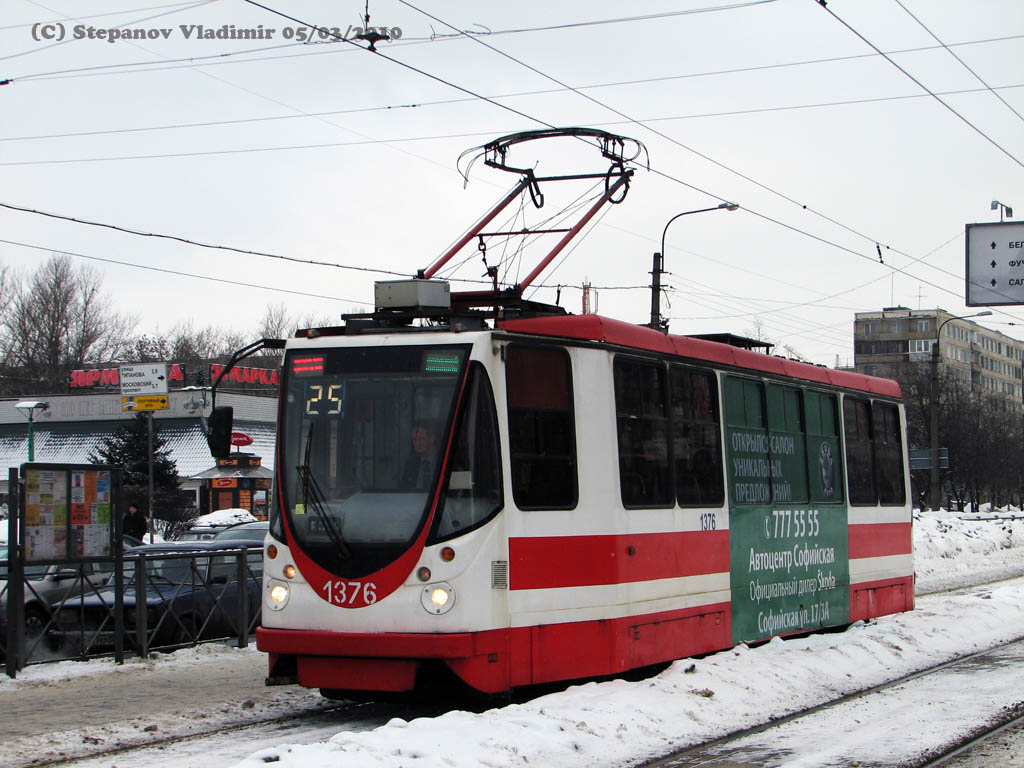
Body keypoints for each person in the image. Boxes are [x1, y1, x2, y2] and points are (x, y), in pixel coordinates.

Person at [401, 422, 437, 489]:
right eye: (414, 439)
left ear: (432, 438)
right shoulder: (410, 463)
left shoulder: (443, 460)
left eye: (420, 438)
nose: (417, 443)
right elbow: (404, 488)